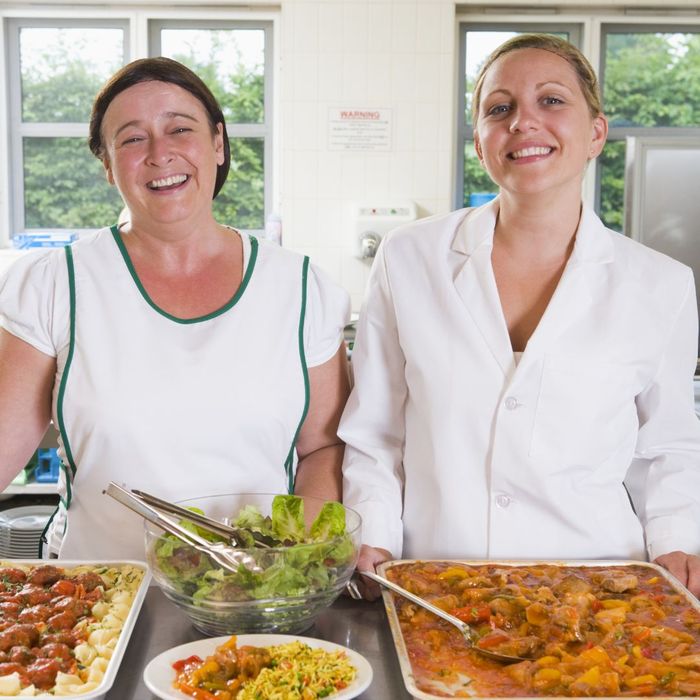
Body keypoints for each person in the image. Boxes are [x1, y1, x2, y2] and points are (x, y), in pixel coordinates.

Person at [340, 34, 700, 598]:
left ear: (596, 134)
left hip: (600, 588)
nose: (523, 122)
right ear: (481, 145)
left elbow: (669, 446)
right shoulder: (409, 257)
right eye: (499, 108)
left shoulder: (662, 285)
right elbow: (376, 429)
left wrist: (678, 541)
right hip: (436, 584)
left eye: (552, 101)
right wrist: (375, 533)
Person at [0, 57, 351, 560]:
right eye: (132, 138)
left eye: (179, 129)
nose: (160, 154)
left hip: (255, 597)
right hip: (101, 602)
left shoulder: (300, 287)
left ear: (218, 143)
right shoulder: (55, 284)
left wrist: (287, 561)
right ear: (108, 165)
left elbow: (323, 447)